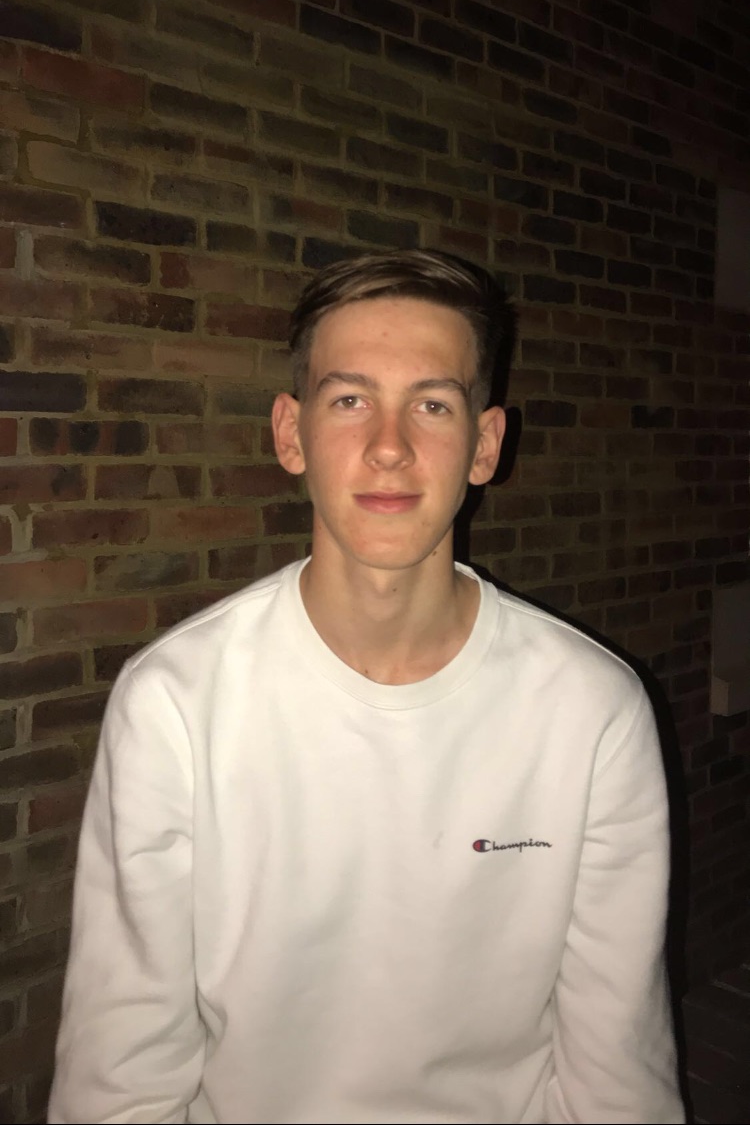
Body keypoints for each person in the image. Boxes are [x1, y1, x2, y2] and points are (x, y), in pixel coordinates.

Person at [48, 248, 685, 1124]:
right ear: (291, 434)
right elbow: (122, 1078)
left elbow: (616, 1075)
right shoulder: (175, 703)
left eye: (432, 404)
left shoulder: (593, 711)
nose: (389, 447)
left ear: (484, 446)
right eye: (350, 400)